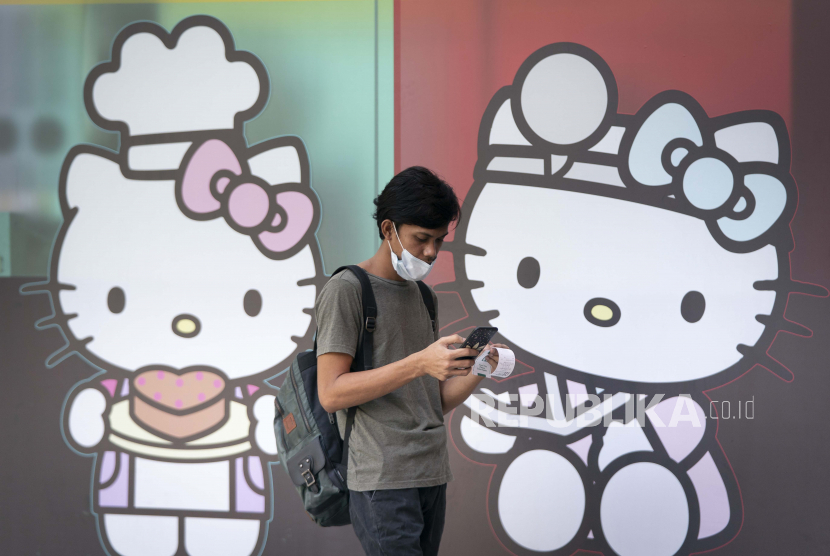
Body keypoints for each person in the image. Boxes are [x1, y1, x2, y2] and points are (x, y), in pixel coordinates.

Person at [315, 166, 508, 556]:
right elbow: (331, 394)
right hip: (381, 478)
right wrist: (420, 362)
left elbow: (430, 403)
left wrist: (480, 369)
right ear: (388, 229)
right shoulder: (346, 290)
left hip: (431, 472)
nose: (432, 252)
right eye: (422, 239)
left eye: (439, 241)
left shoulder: (424, 296)